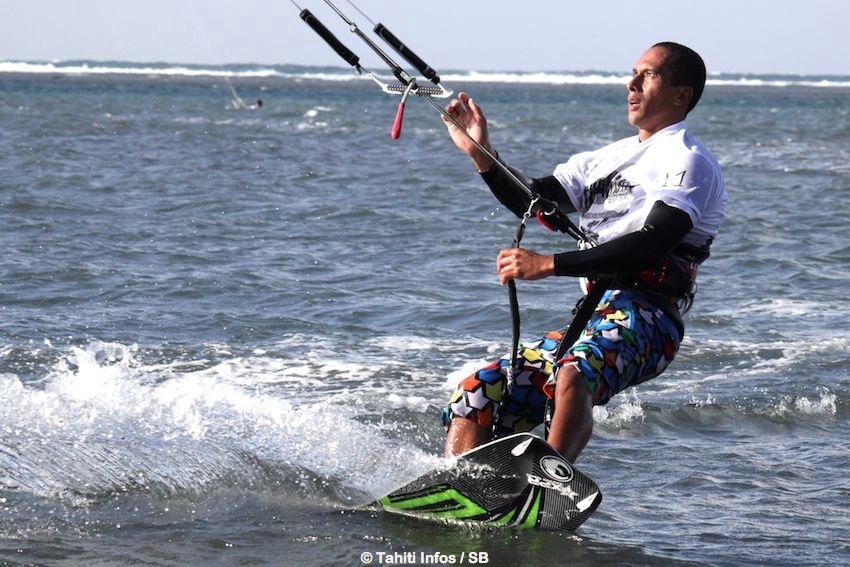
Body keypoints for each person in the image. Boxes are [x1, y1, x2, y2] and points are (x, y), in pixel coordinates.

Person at [440, 42, 727, 463]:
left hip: (650, 319)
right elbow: (531, 199)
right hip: (592, 319)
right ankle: (461, 481)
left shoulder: (688, 159)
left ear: (681, 94)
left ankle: (549, 480)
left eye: (647, 75)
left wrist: (549, 264)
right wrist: (481, 154)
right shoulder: (604, 159)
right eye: (633, 72)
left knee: (575, 373)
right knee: (479, 389)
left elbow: (650, 246)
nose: (631, 84)